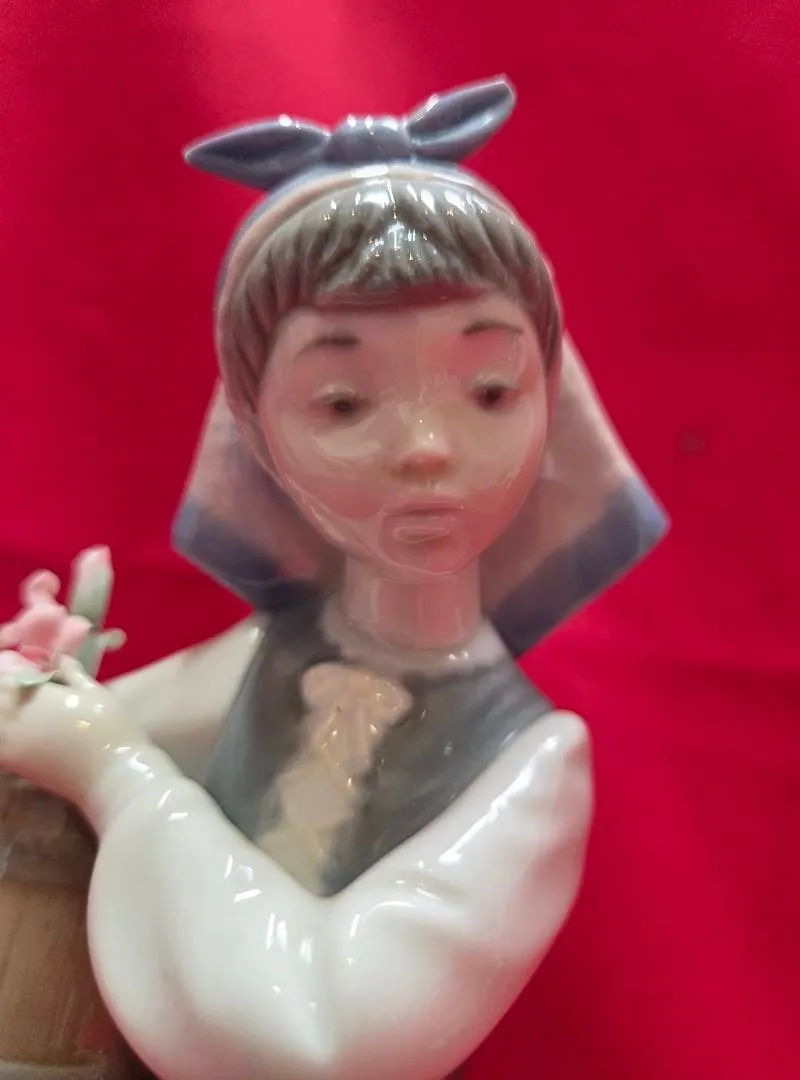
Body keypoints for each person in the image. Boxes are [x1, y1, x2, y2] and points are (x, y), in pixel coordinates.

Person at [0, 77, 665, 1079]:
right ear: (256, 432)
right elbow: (96, 724)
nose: (428, 447)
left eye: (490, 390)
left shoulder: (532, 764)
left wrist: (111, 772)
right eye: (345, 402)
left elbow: (324, 1041)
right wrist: (43, 697)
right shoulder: (268, 652)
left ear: (549, 403)